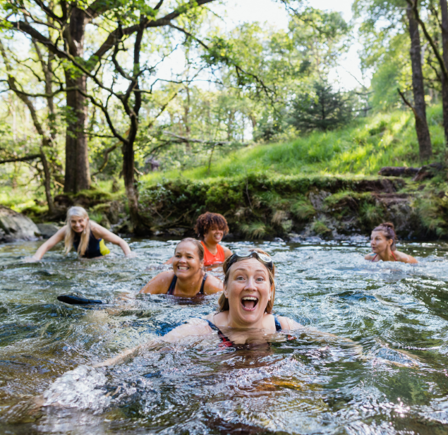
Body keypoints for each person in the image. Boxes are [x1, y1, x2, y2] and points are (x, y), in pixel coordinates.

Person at [97, 249, 355, 368]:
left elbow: (342, 345)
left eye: (259, 279)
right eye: (240, 278)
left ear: (271, 291)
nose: (250, 285)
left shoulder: (282, 325)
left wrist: (366, 353)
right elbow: (146, 348)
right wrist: (99, 368)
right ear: (225, 288)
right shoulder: (204, 328)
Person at [24, 206, 136, 262]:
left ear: (86, 219)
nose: (77, 225)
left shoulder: (95, 229)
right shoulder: (65, 230)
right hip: (83, 261)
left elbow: (121, 241)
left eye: (80, 221)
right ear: (69, 221)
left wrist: (129, 255)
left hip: (103, 260)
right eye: (73, 221)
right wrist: (35, 258)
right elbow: (47, 245)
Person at [140, 238, 223, 297]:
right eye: (178, 256)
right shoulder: (163, 279)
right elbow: (138, 299)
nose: (182, 261)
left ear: (201, 263)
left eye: (189, 257)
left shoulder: (214, 287)